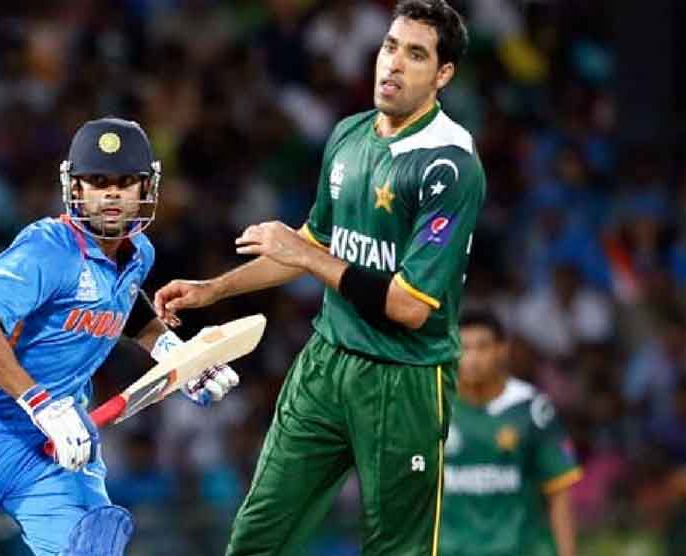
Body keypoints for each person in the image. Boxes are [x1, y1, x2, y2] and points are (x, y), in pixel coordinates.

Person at [154, 1, 485, 554]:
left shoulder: (449, 165)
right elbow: (309, 244)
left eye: (416, 54)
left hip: (405, 377)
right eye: (390, 46)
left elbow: (408, 307)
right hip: (326, 363)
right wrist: (214, 290)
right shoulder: (349, 135)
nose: (394, 63)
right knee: (257, 537)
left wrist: (306, 257)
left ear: (443, 74)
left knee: (396, 548)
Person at [0, 117, 239, 556]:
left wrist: (177, 356)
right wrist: (41, 404)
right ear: (75, 188)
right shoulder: (47, 250)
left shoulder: (139, 253)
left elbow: (125, 306)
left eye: (125, 182)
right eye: (97, 182)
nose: (111, 195)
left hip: (59, 445)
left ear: (147, 188)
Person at [440, 310, 580, 556]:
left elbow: (558, 492)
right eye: (465, 348)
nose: (472, 359)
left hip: (519, 549)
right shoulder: (436, 406)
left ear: (501, 349)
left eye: (482, 347)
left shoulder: (532, 409)